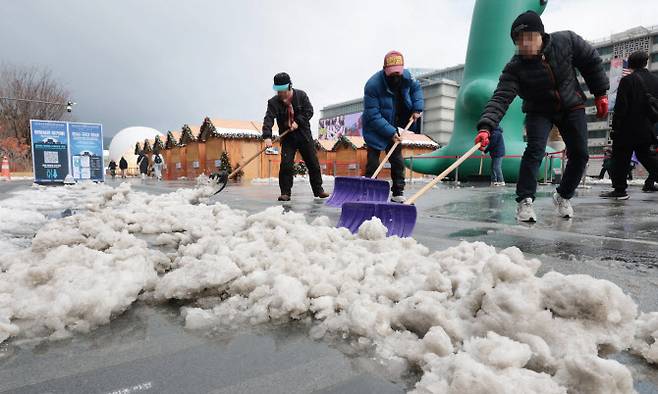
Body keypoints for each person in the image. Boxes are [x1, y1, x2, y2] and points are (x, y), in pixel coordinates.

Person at [475, 11, 609, 222]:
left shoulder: (566, 41)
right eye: (519, 41)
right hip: (539, 110)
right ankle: (524, 201)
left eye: (530, 37)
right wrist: (486, 126)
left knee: (581, 154)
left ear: (541, 34)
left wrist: (600, 92)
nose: (525, 44)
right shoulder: (514, 68)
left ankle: (563, 196)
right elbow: (500, 97)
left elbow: (591, 61)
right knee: (535, 150)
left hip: (571, 104)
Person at [362, 50, 424, 203]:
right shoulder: (372, 85)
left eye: (398, 73)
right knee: (373, 163)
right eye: (392, 74)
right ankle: (371, 193)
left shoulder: (408, 77)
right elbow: (373, 115)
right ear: (384, 70)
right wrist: (389, 132)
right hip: (375, 128)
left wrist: (417, 109)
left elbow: (416, 90)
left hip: (394, 124)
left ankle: (397, 192)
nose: (396, 77)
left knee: (397, 161)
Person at [262, 72, 329, 201]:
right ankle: (285, 193)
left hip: (303, 135)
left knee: (313, 163)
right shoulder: (273, 102)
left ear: (289, 86)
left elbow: (309, 110)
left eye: (283, 90)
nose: (281, 94)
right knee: (286, 165)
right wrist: (267, 136)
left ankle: (318, 190)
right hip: (288, 138)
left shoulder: (301, 96)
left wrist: (298, 122)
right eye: (278, 91)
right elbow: (268, 118)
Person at [601, 51, 658, 199]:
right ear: (645, 62)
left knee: (620, 159)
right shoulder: (655, 81)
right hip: (647, 128)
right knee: (646, 157)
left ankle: (620, 190)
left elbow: (621, 107)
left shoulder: (627, 80)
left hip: (627, 128)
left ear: (630, 64)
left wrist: (615, 127)